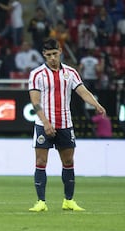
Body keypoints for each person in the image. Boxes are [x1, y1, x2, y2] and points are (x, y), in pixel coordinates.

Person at [28, 38, 106, 212]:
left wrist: (96, 104)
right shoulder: (37, 74)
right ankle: (41, 201)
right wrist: (46, 122)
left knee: (69, 161)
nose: (52, 58)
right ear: (44, 55)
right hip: (43, 124)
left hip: (65, 123)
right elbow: (35, 101)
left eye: (55, 54)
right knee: (41, 161)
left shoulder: (70, 72)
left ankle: (68, 200)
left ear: (60, 51)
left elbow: (82, 91)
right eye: (48, 55)